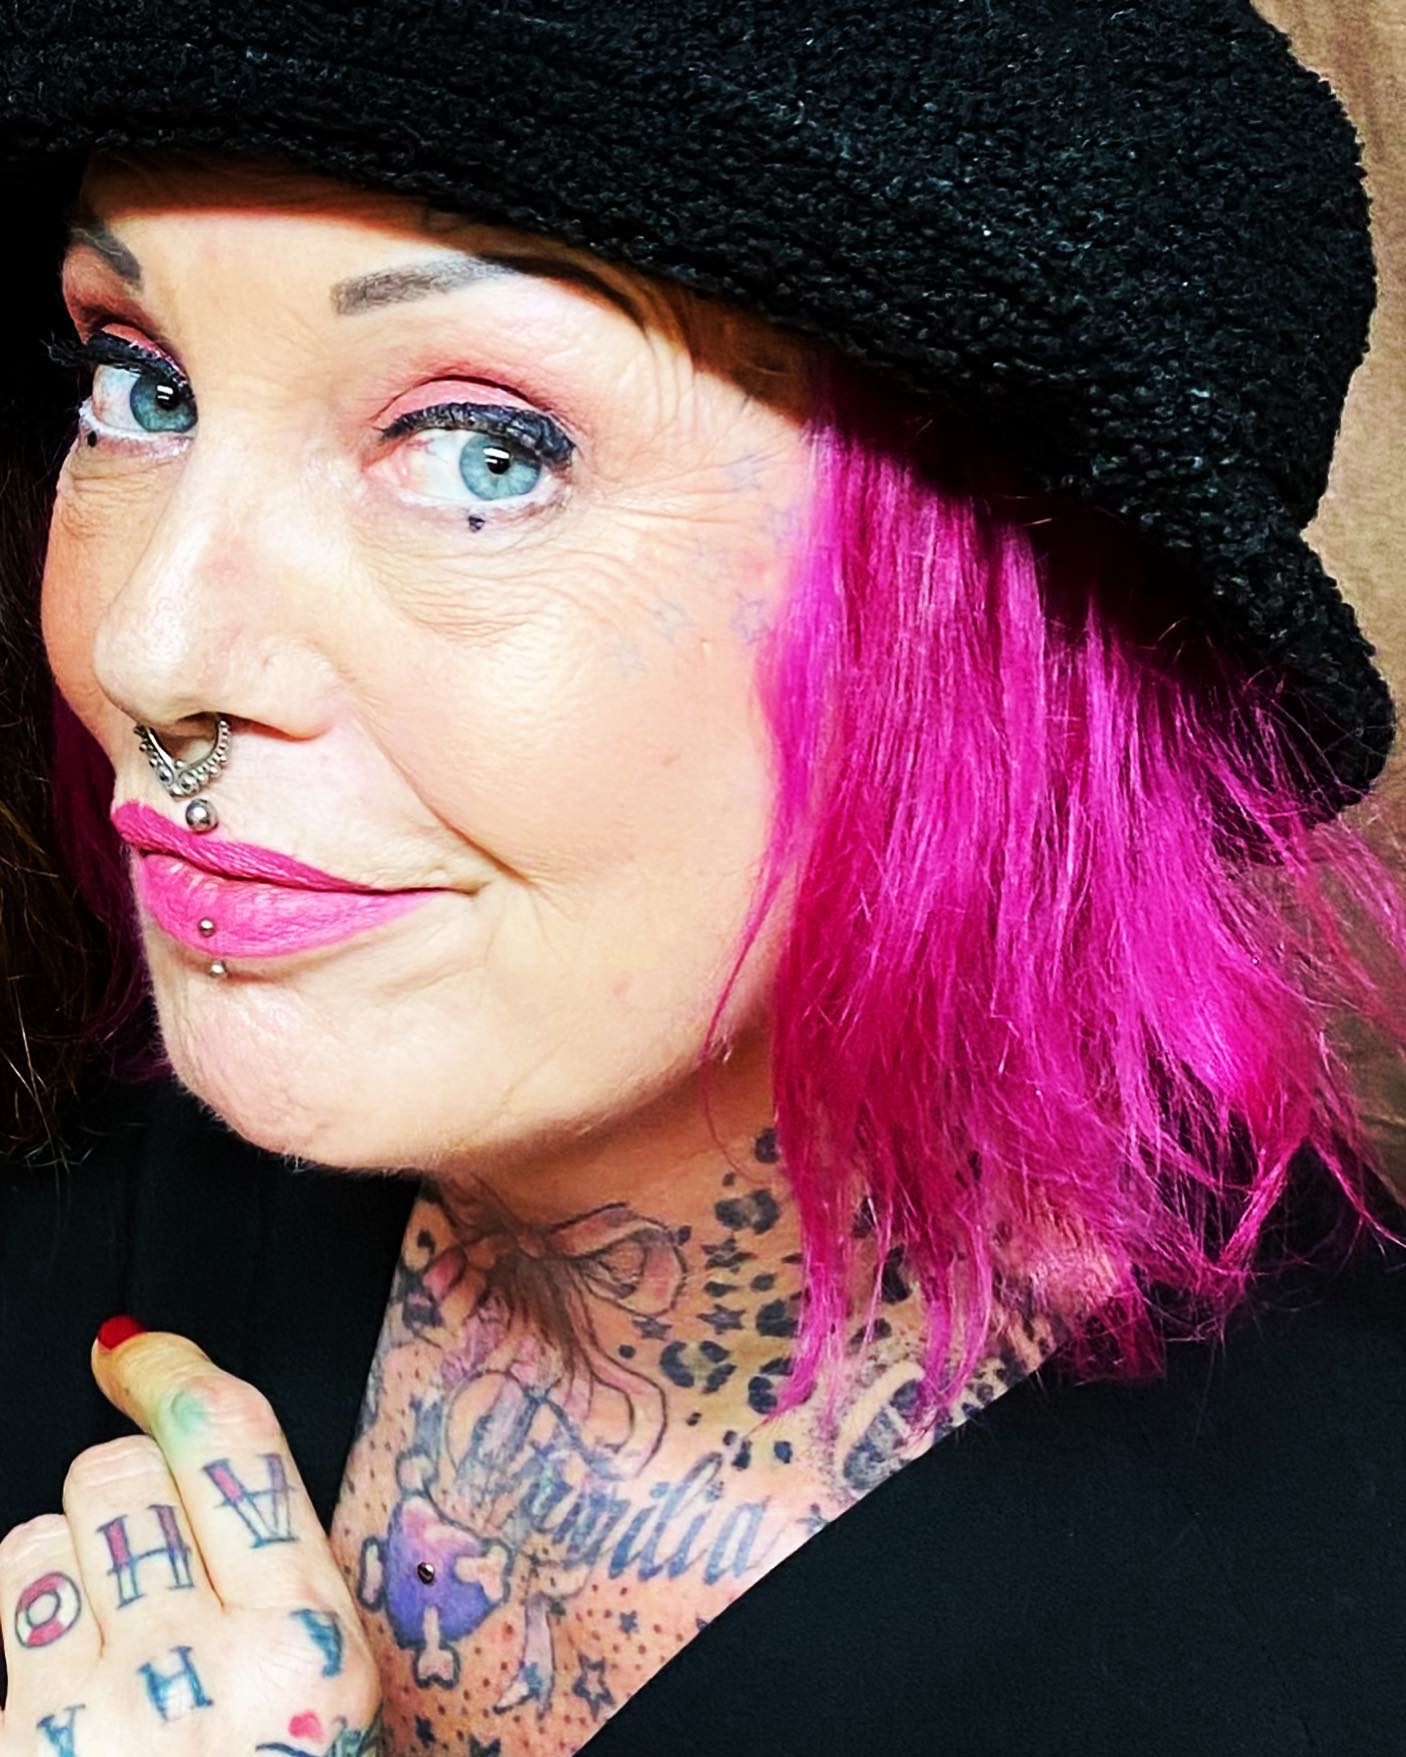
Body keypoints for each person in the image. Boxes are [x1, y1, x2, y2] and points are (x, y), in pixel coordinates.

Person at [0, 3, 1404, 1754]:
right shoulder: (91, 1195)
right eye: (142, 388)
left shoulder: (1328, 1628)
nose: (145, 649)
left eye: (485, 449)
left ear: (1007, 631)